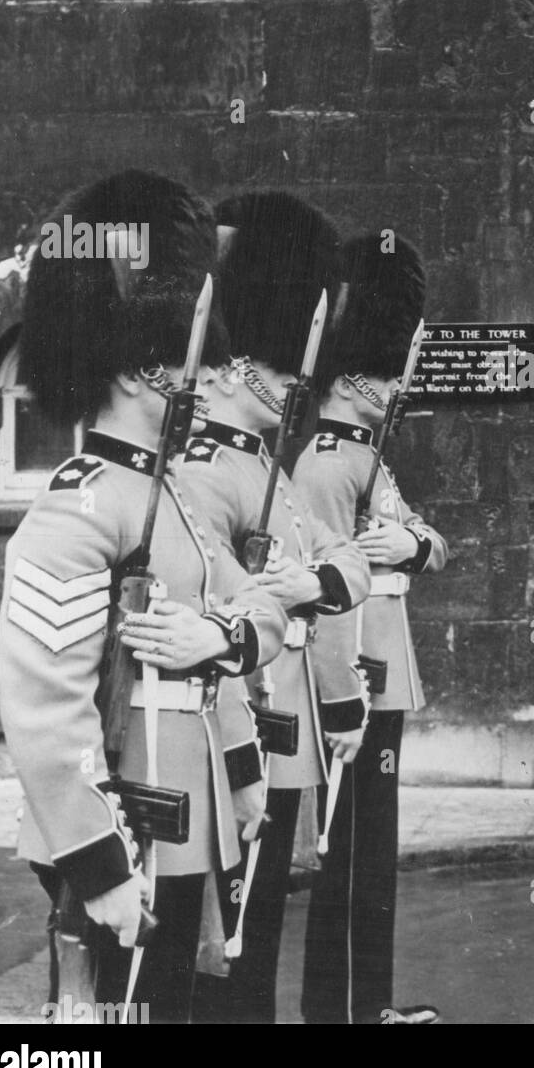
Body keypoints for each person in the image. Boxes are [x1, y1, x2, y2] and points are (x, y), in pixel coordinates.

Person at [0, 172, 288, 1022]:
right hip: (119, 829)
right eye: (179, 365)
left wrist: (216, 642)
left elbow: (262, 610)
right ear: (132, 371)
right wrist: (100, 867)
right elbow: (47, 714)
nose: (197, 383)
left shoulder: (181, 499)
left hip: (190, 815)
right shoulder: (77, 509)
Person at [184, 192, 372, 1024]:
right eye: (282, 365)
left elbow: (339, 568)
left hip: (283, 737)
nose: (299, 380)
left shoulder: (270, 465)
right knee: (217, 955)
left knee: (255, 946)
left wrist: (315, 587)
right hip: (234, 740)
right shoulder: (201, 470)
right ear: (233, 363)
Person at [295, 233, 447, 1026]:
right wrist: (342, 700)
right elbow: (324, 597)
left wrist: (412, 544)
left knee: (370, 858)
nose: (399, 387)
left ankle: (371, 1005)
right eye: (389, 375)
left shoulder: (366, 455)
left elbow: (426, 536)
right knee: (345, 858)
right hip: (352, 676)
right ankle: (341, 1013)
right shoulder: (328, 462)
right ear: (354, 379)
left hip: (385, 671)